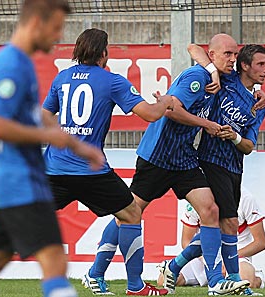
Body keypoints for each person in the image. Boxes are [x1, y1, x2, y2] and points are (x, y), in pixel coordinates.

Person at [0, 1, 105, 297]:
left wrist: (74, 143)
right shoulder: (11, 64)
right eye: (56, 27)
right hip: (21, 182)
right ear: (37, 21)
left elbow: (33, 114)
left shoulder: (21, 62)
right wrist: (52, 137)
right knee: (55, 263)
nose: (58, 36)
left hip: (13, 183)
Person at [91, 34, 254, 296]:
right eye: (228, 55)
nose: (233, 60)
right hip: (158, 156)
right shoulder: (196, 78)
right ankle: (96, 272)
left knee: (210, 210)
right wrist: (207, 123)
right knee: (128, 214)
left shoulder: (217, 78)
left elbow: (194, 47)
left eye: (235, 55)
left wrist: (258, 95)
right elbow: (170, 109)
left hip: (184, 158)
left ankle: (215, 283)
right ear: (213, 56)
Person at [41, 28, 174, 296]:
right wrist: (167, 102)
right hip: (90, 172)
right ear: (104, 53)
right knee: (130, 214)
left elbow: (44, 114)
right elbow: (149, 114)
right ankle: (135, 286)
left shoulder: (62, 78)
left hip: (54, 167)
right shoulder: (112, 81)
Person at [159, 40, 265, 295]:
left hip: (234, 167)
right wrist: (211, 71)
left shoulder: (259, 103)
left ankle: (174, 266)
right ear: (244, 65)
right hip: (210, 159)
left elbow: (249, 145)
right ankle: (226, 281)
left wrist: (235, 138)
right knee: (228, 223)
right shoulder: (226, 79)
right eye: (261, 64)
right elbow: (192, 48)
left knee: (222, 227)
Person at [157, 187, 265, 295]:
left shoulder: (245, 198)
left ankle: (256, 278)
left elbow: (260, 242)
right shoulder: (198, 198)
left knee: (247, 280)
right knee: (162, 280)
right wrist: (208, 259)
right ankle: (212, 280)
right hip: (204, 255)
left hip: (236, 255)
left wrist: (227, 259)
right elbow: (186, 241)